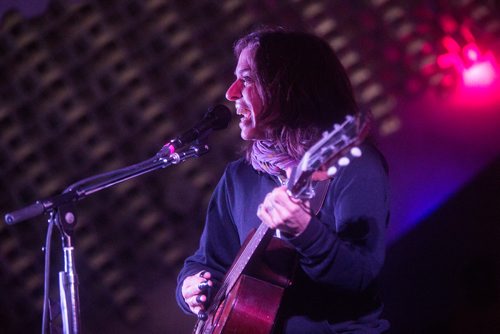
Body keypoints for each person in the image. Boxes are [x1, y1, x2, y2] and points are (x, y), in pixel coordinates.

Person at [176, 28, 390, 333]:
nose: (231, 92)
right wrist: (191, 288)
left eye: (248, 79)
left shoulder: (354, 164)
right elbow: (206, 262)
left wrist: (305, 232)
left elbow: (360, 275)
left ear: (288, 88)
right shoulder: (240, 177)